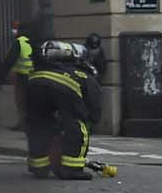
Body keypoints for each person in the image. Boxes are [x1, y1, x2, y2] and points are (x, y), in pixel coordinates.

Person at [24, 41, 103, 180]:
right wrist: (91, 119)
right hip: (63, 86)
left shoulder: (51, 66)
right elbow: (93, 104)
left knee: (38, 124)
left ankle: (39, 167)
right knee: (78, 125)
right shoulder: (84, 75)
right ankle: (72, 169)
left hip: (34, 83)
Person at [0, 24, 35, 130]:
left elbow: (9, 61)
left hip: (23, 76)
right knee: (32, 101)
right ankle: (30, 123)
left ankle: (23, 123)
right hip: (35, 76)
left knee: (21, 101)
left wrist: (2, 76)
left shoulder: (19, 42)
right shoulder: (33, 41)